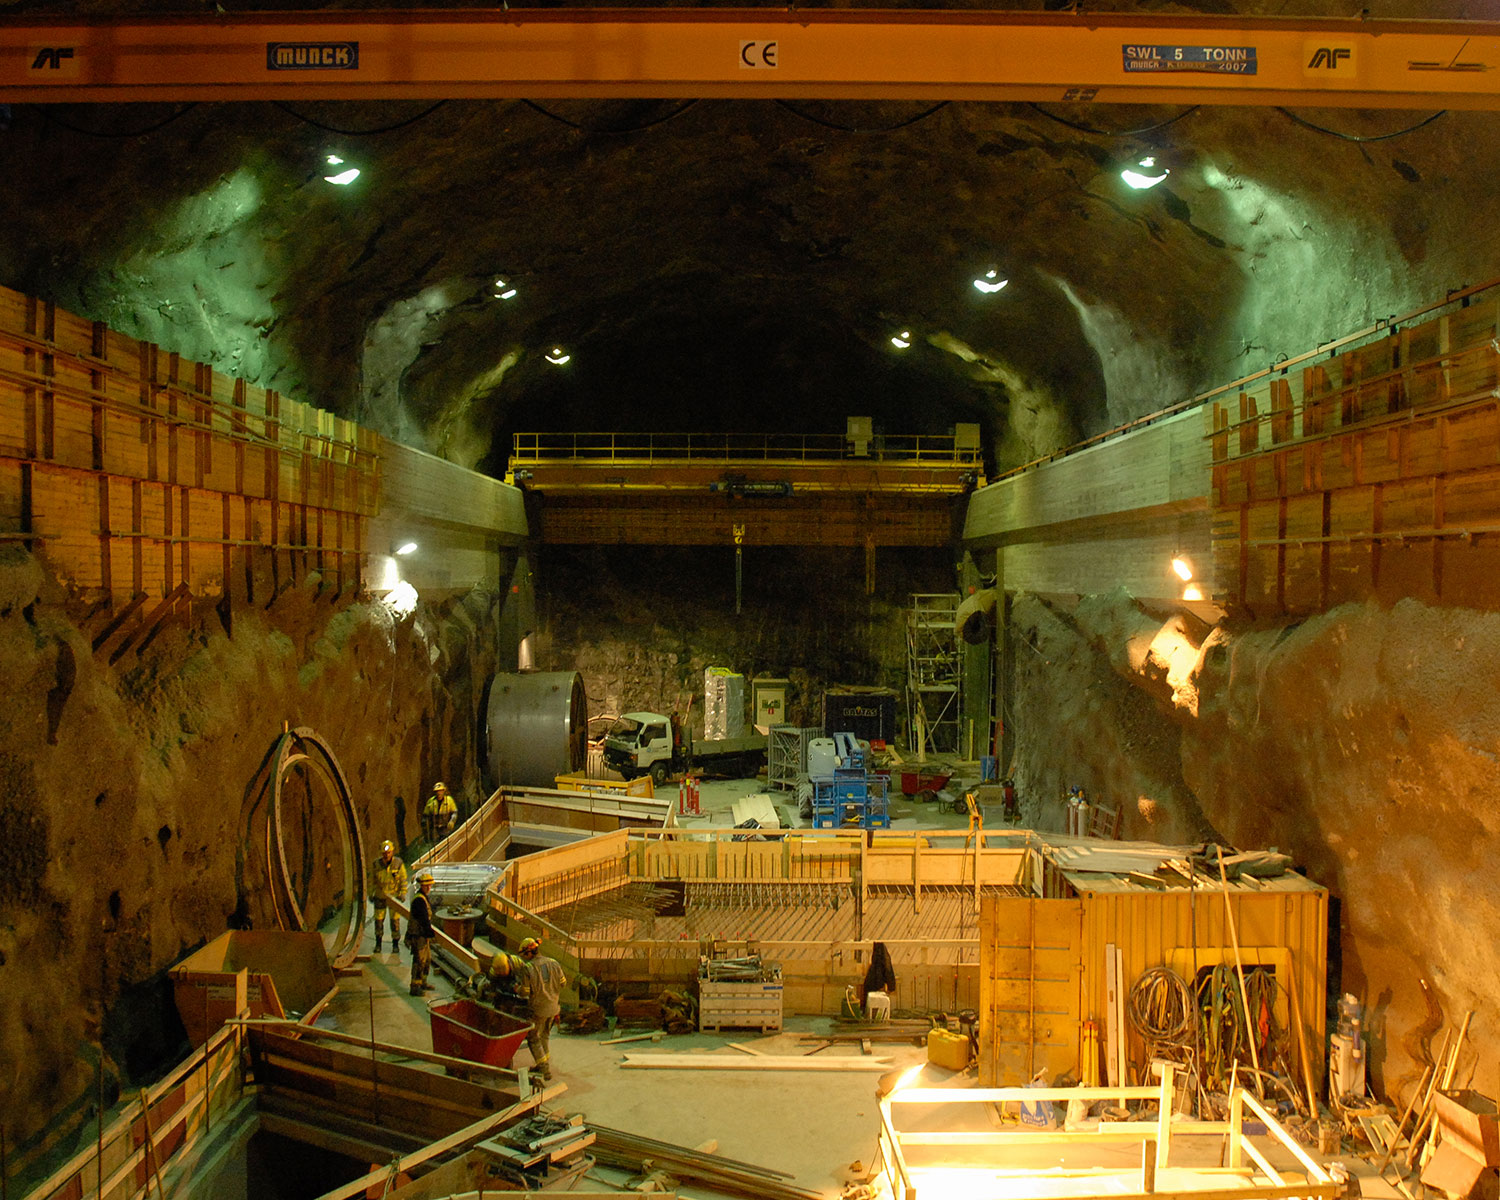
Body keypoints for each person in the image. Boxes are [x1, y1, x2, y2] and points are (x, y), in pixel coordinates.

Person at [516, 936, 566, 1080]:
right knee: (545, 1035)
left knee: (533, 1037)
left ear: (529, 953)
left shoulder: (528, 968)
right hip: (554, 1007)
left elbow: (525, 992)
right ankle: (544, 1062)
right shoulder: (554, 963)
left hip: (538, 1009)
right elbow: (563, 983)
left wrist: (516, 988)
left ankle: (544, 1070)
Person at [370, 839, 408, 955]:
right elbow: (371, 881)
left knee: (395, 922)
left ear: (392, 852)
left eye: (388, 853)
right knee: (379, 921)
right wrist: (371, 894)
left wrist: (402, 893)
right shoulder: (376, 865)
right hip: (380, 896)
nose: (386, 855)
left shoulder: (398, 864)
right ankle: (378, 944)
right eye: (384, 853)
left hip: (394, 898)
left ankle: (395, 945)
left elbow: (403, 879)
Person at [407, 871, 437, 996]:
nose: (429, 888)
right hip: (418, 936)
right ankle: (415, 986)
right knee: (419, 961)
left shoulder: (424, 898)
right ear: (421, 886)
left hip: (423, 936)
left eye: (430, 886)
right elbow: (423, 919)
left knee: (427, 960)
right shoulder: (419, 900)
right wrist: (429, 931)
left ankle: (423, 982)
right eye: (426, 886)